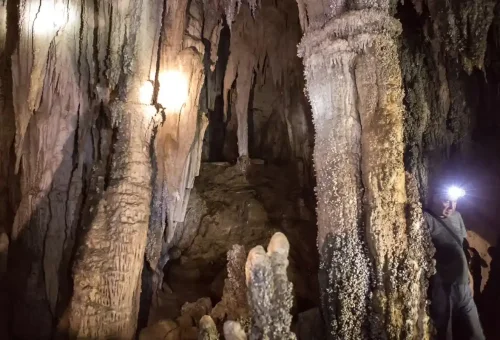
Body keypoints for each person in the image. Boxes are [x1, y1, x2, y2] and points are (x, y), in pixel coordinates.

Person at [424, 188, 485, 340]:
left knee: (477, 334)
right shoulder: (425, 218)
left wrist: (469, 277)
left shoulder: (457, 216)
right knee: (445, 333)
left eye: (455, 201)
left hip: (464, 286)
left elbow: (461, 247)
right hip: (444, 288)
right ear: (433, 198)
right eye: (446, 201)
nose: (451, 206)